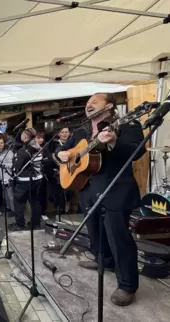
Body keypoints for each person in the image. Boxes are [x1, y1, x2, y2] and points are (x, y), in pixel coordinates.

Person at [56, 92, 145, 306]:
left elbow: (138, 150)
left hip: (116, 188)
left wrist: (114, 141)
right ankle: (104, 261)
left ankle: (127, 285)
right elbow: (63, 149)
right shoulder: (81, 131)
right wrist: (61, 154)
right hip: (88, 188)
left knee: (118, 236)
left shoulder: (126, 124)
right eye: (87, 102)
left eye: (94, 102)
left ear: (109, 106)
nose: (89, 105)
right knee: (95, 230)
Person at [11, 128, 44, 230]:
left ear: (24, 137)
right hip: (37, 178)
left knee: (19, 202)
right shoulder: (38, 146)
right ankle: (36, 224)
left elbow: (17, 166)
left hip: (25, 181)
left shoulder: (24, 150)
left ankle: (20, 225)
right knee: (35, 201)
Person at [0, 137, 14, 215]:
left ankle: (13, 210)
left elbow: (12, 164)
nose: (0, 144)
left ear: (4, 143)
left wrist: (4, 165)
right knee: (5, 194)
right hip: (1, 176)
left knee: (10, 194)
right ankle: (8, 208)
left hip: (7, 176)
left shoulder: (9, 152)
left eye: (2, 143)